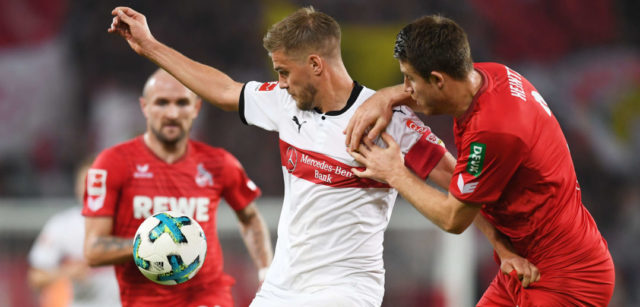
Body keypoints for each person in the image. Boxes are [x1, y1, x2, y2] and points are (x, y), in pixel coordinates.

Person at [108, 6, 535, 306]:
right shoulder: (284, 104)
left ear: (315, 64)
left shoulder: (392, 122)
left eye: (284, 71)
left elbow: (459, 186)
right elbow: (223, 89)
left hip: (345, 291)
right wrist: (150, 46)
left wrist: (503, 246)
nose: (279, 81)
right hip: (282, 287)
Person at [345, 15, 615, 306]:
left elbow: (453, 218)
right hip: (523, 265)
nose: (406, 87)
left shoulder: (493, 131)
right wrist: (387, 96)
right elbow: (468, 192)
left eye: (409, 78)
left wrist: (395, 173)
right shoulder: (492, 75)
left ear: (437, 79)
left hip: (567, 280)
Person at [82, 69, 273, 307]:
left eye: (182, 103)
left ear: (196, 108)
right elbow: (93, 250)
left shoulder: (219, 163)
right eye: (162, 103)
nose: (172, 113)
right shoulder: (113, 163)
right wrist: (154, 244)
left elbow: (250, 218)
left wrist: (266, 271)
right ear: (144, 107)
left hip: (207, 296)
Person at [28, 159, 121, 307]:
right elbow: (36, 277)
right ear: (76, 187)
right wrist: (66, 273)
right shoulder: (62, 225)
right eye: (86, 182)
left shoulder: (130, 225)